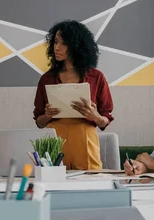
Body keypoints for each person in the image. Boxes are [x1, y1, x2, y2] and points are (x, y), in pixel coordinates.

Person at [33, 20, 114, 170]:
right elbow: (39, 123)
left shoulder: (96, 77)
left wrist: (95, 116)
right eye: (55, 42)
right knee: (55, 185)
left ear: (76, 46)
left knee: (89, 187)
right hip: (55, 140)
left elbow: (105, 121)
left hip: (85, 141)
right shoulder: (47, 78)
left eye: (63, 43)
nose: (56, 47)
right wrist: (48, 115)